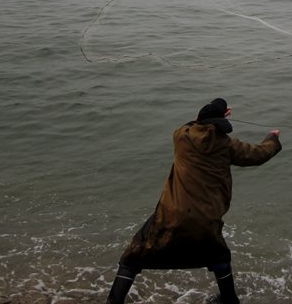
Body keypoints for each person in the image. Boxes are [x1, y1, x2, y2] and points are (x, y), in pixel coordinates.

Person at [107, 98, 282, 304]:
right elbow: (259, 154)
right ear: (221, 122)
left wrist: (212, 115)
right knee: (219, 255)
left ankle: (114, 301)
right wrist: (272, 138)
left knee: (133, 255)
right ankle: (228, 299)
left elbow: (193, 123)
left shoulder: (181, 137)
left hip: (170, 214)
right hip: (206, 219)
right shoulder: (228, 146)